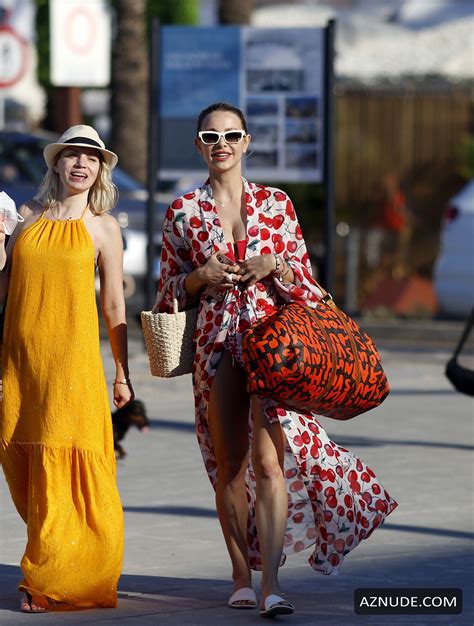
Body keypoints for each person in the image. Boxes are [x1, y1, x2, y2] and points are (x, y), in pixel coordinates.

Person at [156, 102, 398, 618]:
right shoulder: (182, 211)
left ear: (247, 143)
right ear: (199, 146)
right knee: (229, 465)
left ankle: (271, 585)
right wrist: (202, 277)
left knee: (270, 464)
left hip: (274, 346)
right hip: (217, 346)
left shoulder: (276, 204)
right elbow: (167, 291)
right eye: (210, 136)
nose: (221, 144)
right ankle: (241, 577)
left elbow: (308, 283)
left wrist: (275, 265)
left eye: (231, 135)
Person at [0, 125, 134, 612]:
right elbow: (4, 289)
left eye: (91, 158)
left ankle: (48, 577)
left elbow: (115, 304)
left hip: (71, 364)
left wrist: (121, 371)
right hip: (19, 363)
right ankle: (60, 560)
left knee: (63, 463)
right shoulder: (25, 220)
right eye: (73, 155)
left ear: (100, 170)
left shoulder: (103, 227)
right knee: (24, 466)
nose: (81, 164)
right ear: (56, 163)